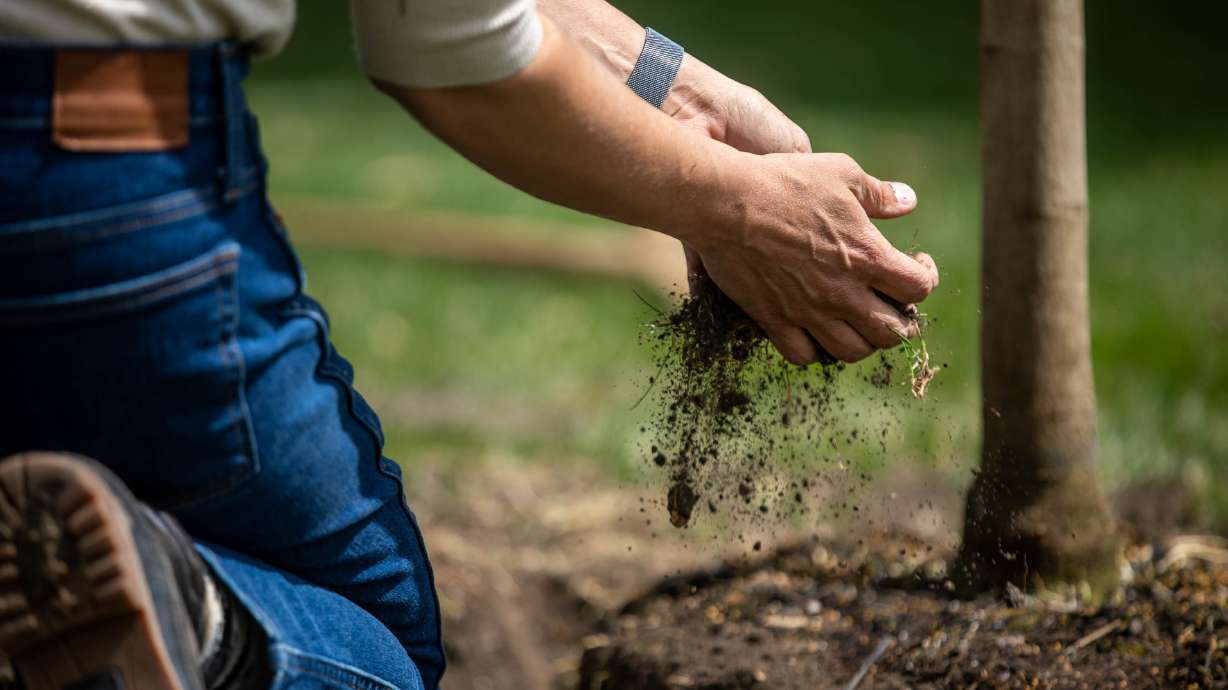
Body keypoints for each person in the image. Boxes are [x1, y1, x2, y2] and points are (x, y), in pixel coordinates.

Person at [0, 1, 938, 689]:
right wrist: (741, 210)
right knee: (368, 635)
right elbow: (447, 47)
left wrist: (677, 87)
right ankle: (195, 616)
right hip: (90, 171)